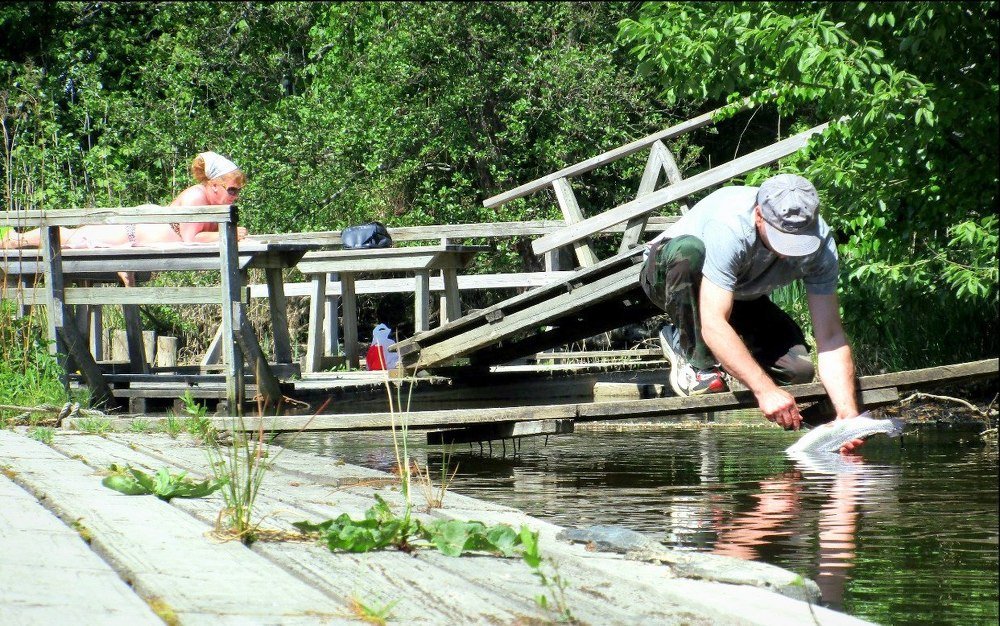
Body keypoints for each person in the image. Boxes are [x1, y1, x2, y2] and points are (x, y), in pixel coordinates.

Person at [640, 173, 864, 452]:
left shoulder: (821, 246)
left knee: (797, 370)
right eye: (782, 239)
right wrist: (764, 390)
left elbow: (830, 336)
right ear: (759, 216)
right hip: (672, 274)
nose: (789, 253)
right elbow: (713, 322)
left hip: (739, 295)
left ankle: (728, 361)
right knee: (689, 252)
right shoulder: (730, 227)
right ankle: (689, 351)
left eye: (798, 241)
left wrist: (848, 414)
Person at [1, 151, 248, 249]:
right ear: (214, 184)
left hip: (137, 233)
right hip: (130, 232)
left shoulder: (214, 204)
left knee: (73, 238)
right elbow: (190, 239)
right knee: (74, 239)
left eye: (237, 192)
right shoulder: (197, 197)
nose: (234, 197)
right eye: (232, 190)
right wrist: (229, 234)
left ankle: (16, 239)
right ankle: (15, 240)